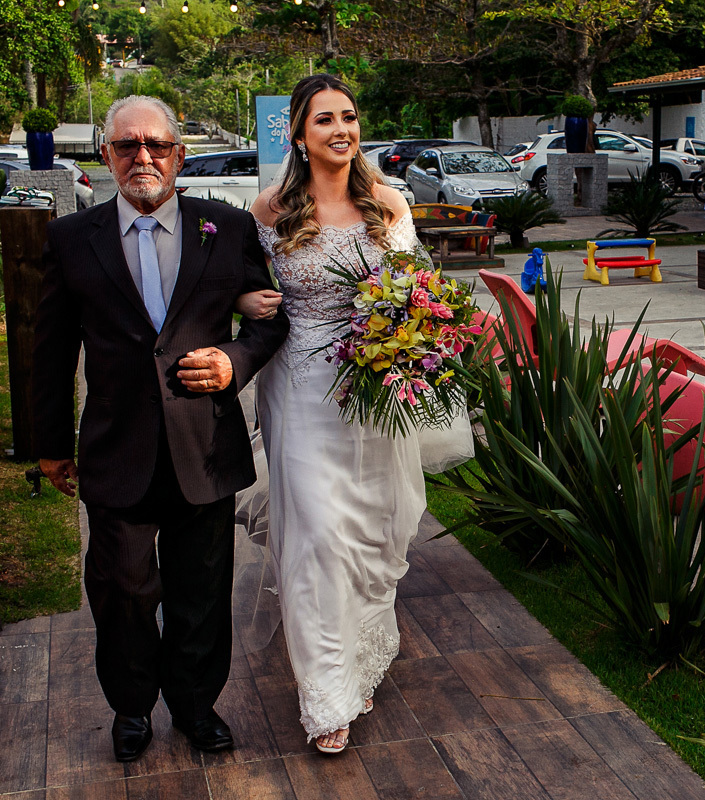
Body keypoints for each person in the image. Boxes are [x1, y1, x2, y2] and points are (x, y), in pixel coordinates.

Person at [32, 95, 289, 762]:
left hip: (202, 448)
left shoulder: (226, 229)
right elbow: (50, 349)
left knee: (200, 592)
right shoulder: (70, 239)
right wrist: (51, 446)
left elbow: (270, 318)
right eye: (125, 146)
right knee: (121, 590)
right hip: (116, 452)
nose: (141, 156)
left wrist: (234, 362)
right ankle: (131, 707)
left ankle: (197, 707)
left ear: (178, 154)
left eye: (155, 144)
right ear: (107, 156)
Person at [239, 73, 470, 755]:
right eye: (324, 120)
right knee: (315, 539)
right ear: (300, 135)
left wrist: (419, 329)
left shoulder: (388, 203)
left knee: (374, 531)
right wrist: (250, 302)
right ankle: (328, 695)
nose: (341, 130)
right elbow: (243, 289)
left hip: (374, 389)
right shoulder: (268, 210)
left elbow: (418, 291)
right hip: (301, 387)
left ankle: (360, 659)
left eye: (349, 117)